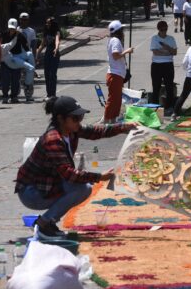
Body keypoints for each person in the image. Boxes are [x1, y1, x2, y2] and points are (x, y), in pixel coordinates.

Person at [15, 96, 137, 239]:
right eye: (75, 118)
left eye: (81, 117)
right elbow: (69, 174)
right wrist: (99, 177)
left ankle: (49, 221)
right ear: (61, 119)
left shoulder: (71, 130)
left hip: (47, 184)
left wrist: (125, 127)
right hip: (32, 192)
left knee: (82, 187)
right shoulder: (53, 139)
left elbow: (97, 131)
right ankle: (43, 224)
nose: (79, 121)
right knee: (82, 189)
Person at [103, 20, 133, 123]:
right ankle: (107, 121)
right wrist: (127, 51)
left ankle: (112, 120)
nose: (123, 32)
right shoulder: (115, 40)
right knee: (113, 99)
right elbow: (116, 55)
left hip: (116, 74)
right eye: (122, 29)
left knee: (116, 99)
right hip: (115, 74)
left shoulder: (112, 40)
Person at [1, 18, 36, 102]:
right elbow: (0, 46)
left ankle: (14, 96)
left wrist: (28, 59)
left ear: (16, 27)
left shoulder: (20, 35)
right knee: (5, 79)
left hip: (17, 58)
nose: (11, 30)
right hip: (6, 59)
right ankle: (5, 96)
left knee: (15, 79)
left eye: (13, 28)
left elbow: (27, 48)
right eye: (10, 28)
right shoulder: (4, 34)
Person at [150, 20, 177, 115]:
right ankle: (155, 107)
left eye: (165, 29)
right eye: (162, 30)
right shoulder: (154, 38)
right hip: (156, 65)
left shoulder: (171, 39)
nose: (164, 31)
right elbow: (155, 52)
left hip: (168, 64)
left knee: (169, 86)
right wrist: (167, 51)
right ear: (158, 29)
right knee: (156, 87)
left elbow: (174, 52)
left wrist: (166, 47)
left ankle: (169, 107)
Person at [36, 17, 61, 100]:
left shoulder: (56, 32)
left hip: (55, 54)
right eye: (46, 23)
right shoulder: (46, 32)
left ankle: (52, 94)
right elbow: (42, 44)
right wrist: (37, 54)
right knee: (47, 74)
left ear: (52, 24)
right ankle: (48, 94)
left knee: (52, 74)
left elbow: (57, 40)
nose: (47, 24)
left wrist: (56, 48)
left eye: (49, 23)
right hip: (48, 53)